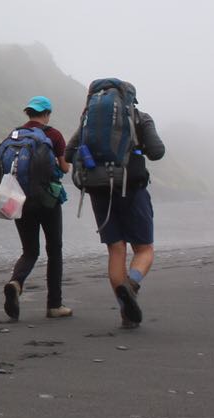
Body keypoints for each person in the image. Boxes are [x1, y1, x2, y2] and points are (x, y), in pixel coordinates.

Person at [66, 87, 165, 328]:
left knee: (116, 250)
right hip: (132, 187)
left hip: (99, 189)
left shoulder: (88, 120)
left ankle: (126, 314)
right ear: (129, 98)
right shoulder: (140, 117)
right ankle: (131, 285)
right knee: (144, 249)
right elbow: (157, 152)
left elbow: (69, 153)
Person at [2, 95, 72, 320]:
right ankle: (54, 305)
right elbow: (64, 167)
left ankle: (16, 282)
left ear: (28, 113)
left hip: (19, 199)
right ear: (47, 113)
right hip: (47, 200)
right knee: (54, 250)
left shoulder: (15, 135)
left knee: (30, 251)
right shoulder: (54, 135)